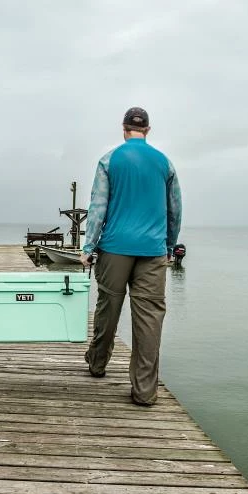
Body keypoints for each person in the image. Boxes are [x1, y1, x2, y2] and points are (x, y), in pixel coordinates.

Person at [79, 107, 182, 406]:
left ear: (123, 129)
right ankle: (145, 391)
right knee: (149, 319)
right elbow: (175, 210)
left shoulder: (109, 160)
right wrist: (169, 245)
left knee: (107, 308)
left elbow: (98, 206)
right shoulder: (165, 163)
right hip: (152, 251)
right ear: (148, 131)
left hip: (114, 248)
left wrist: (88, 248)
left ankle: (98, 364)